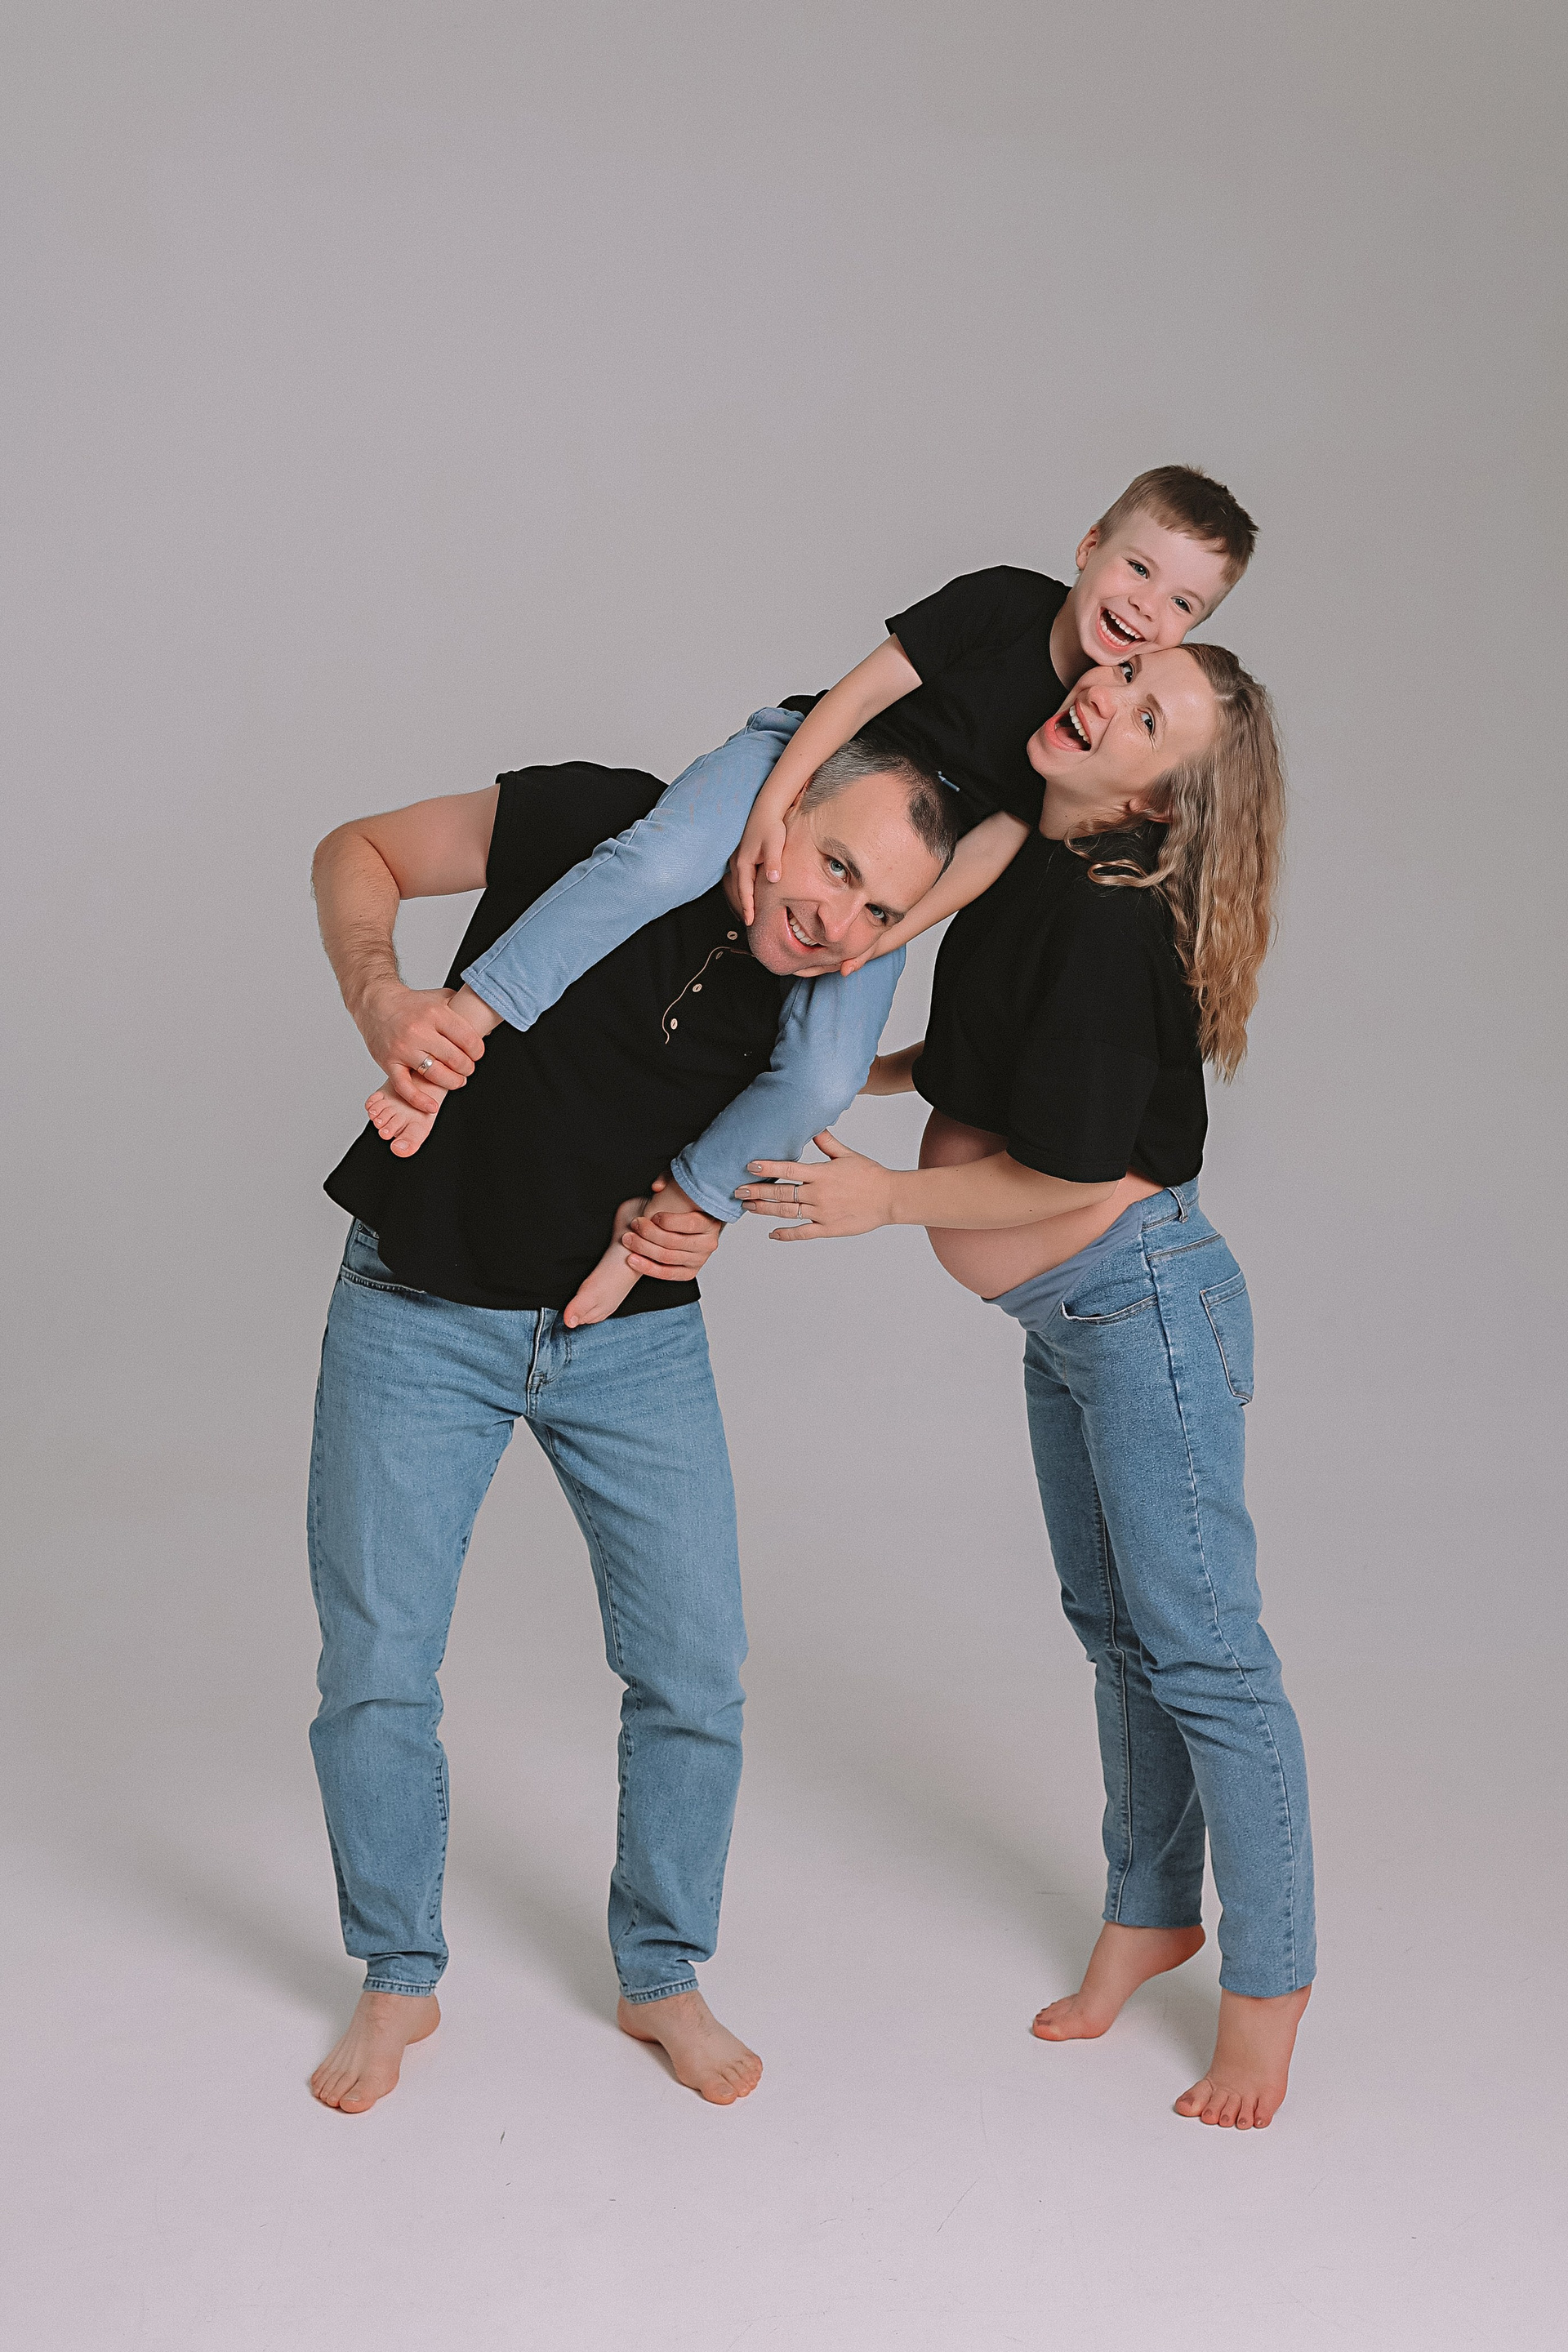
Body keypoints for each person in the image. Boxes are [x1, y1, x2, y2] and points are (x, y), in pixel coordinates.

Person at [305, 734, 956, 2114]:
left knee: (694, 1670)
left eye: (880, 910)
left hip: (628, 1338)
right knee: (377, 1665)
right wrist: (383, 997)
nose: (838, 919)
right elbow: (356, 851)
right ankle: (397, 1973)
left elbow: (770, 1128)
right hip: (420, 1305)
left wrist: (705, 1215)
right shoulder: (595, 821)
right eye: (836, 864)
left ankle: (661, 1974)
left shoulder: (816, 1003)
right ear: (782, 808)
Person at [734, 641, 1316, 2132]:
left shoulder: (1110, 923)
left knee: (1205, 1654)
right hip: (1072, 1317)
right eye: (1126, 668)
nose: (1105, 692)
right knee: (1116, 1631)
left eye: (1147, 715)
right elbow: (1003, 1053)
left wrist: (884, 1202)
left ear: (1156, 800)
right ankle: (1149, 1914)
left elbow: (1071, 1168)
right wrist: (875, 1072)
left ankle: (1270, 1993)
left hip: (1143, 1309)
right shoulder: (1027, 866)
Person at [359, 468, 1256, 1334]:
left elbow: (989, 847)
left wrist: (887, 936)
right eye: (1138, 568)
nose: (1147, 608)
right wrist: (773, 805)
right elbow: (860, 694)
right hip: (808, 759)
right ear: (1089, 546)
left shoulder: (1078, 731)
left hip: (892, 862)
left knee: (826, 1072)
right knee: (663, 866)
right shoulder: (1004, 606)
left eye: (1181, 604)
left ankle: (673, 1220)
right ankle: (460, 1033)